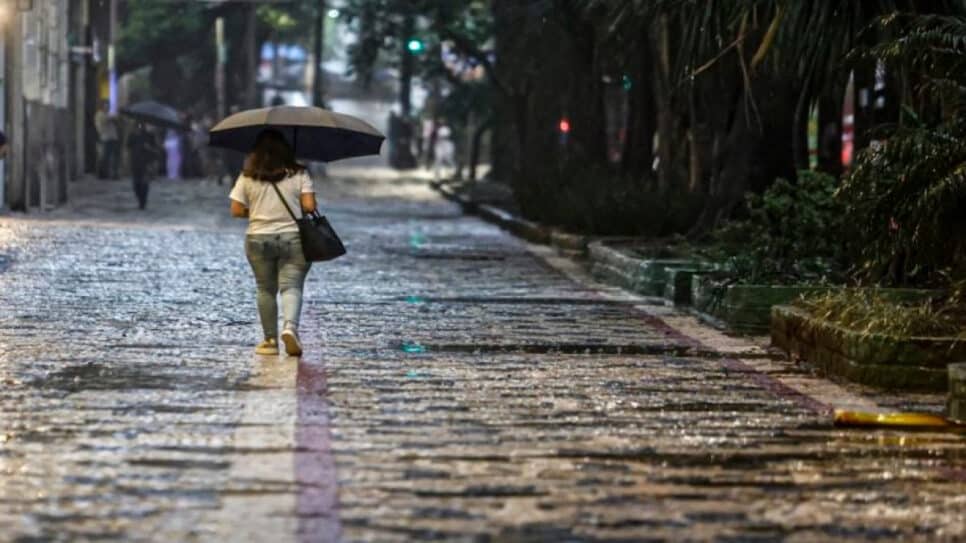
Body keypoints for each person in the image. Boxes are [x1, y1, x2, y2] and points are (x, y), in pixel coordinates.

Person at [229, 130, 316, 357]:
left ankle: (269, 340)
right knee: (291, 286)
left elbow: (236, 210)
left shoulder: (247, 176)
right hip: (293, 237)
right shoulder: (299, 173)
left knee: (265, 289)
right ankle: (290, 328)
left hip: (258, 237)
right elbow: (308, 206)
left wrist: (257, 210)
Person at [127, 123, 161, 209]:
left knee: (144, 183)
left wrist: (149, 148)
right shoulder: (132, 135)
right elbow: (128, 146)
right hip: (135, 161)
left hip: (146, 162)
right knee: (136, 184)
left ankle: (143, 202)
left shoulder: (150, 135)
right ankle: (140, 199)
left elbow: (156, 149)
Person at [94, 101, 120, 179]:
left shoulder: (109, 114)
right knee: (104, 157)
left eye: (108, 106)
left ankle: (113, 174)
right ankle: (102, 174)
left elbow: (116, 123)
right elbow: (102, 123)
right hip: (105, 138)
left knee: (114, 157)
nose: (107, 107)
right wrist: (110, 118)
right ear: (102, 106)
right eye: (105, 106)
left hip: (113, 137)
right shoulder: (99, 114)